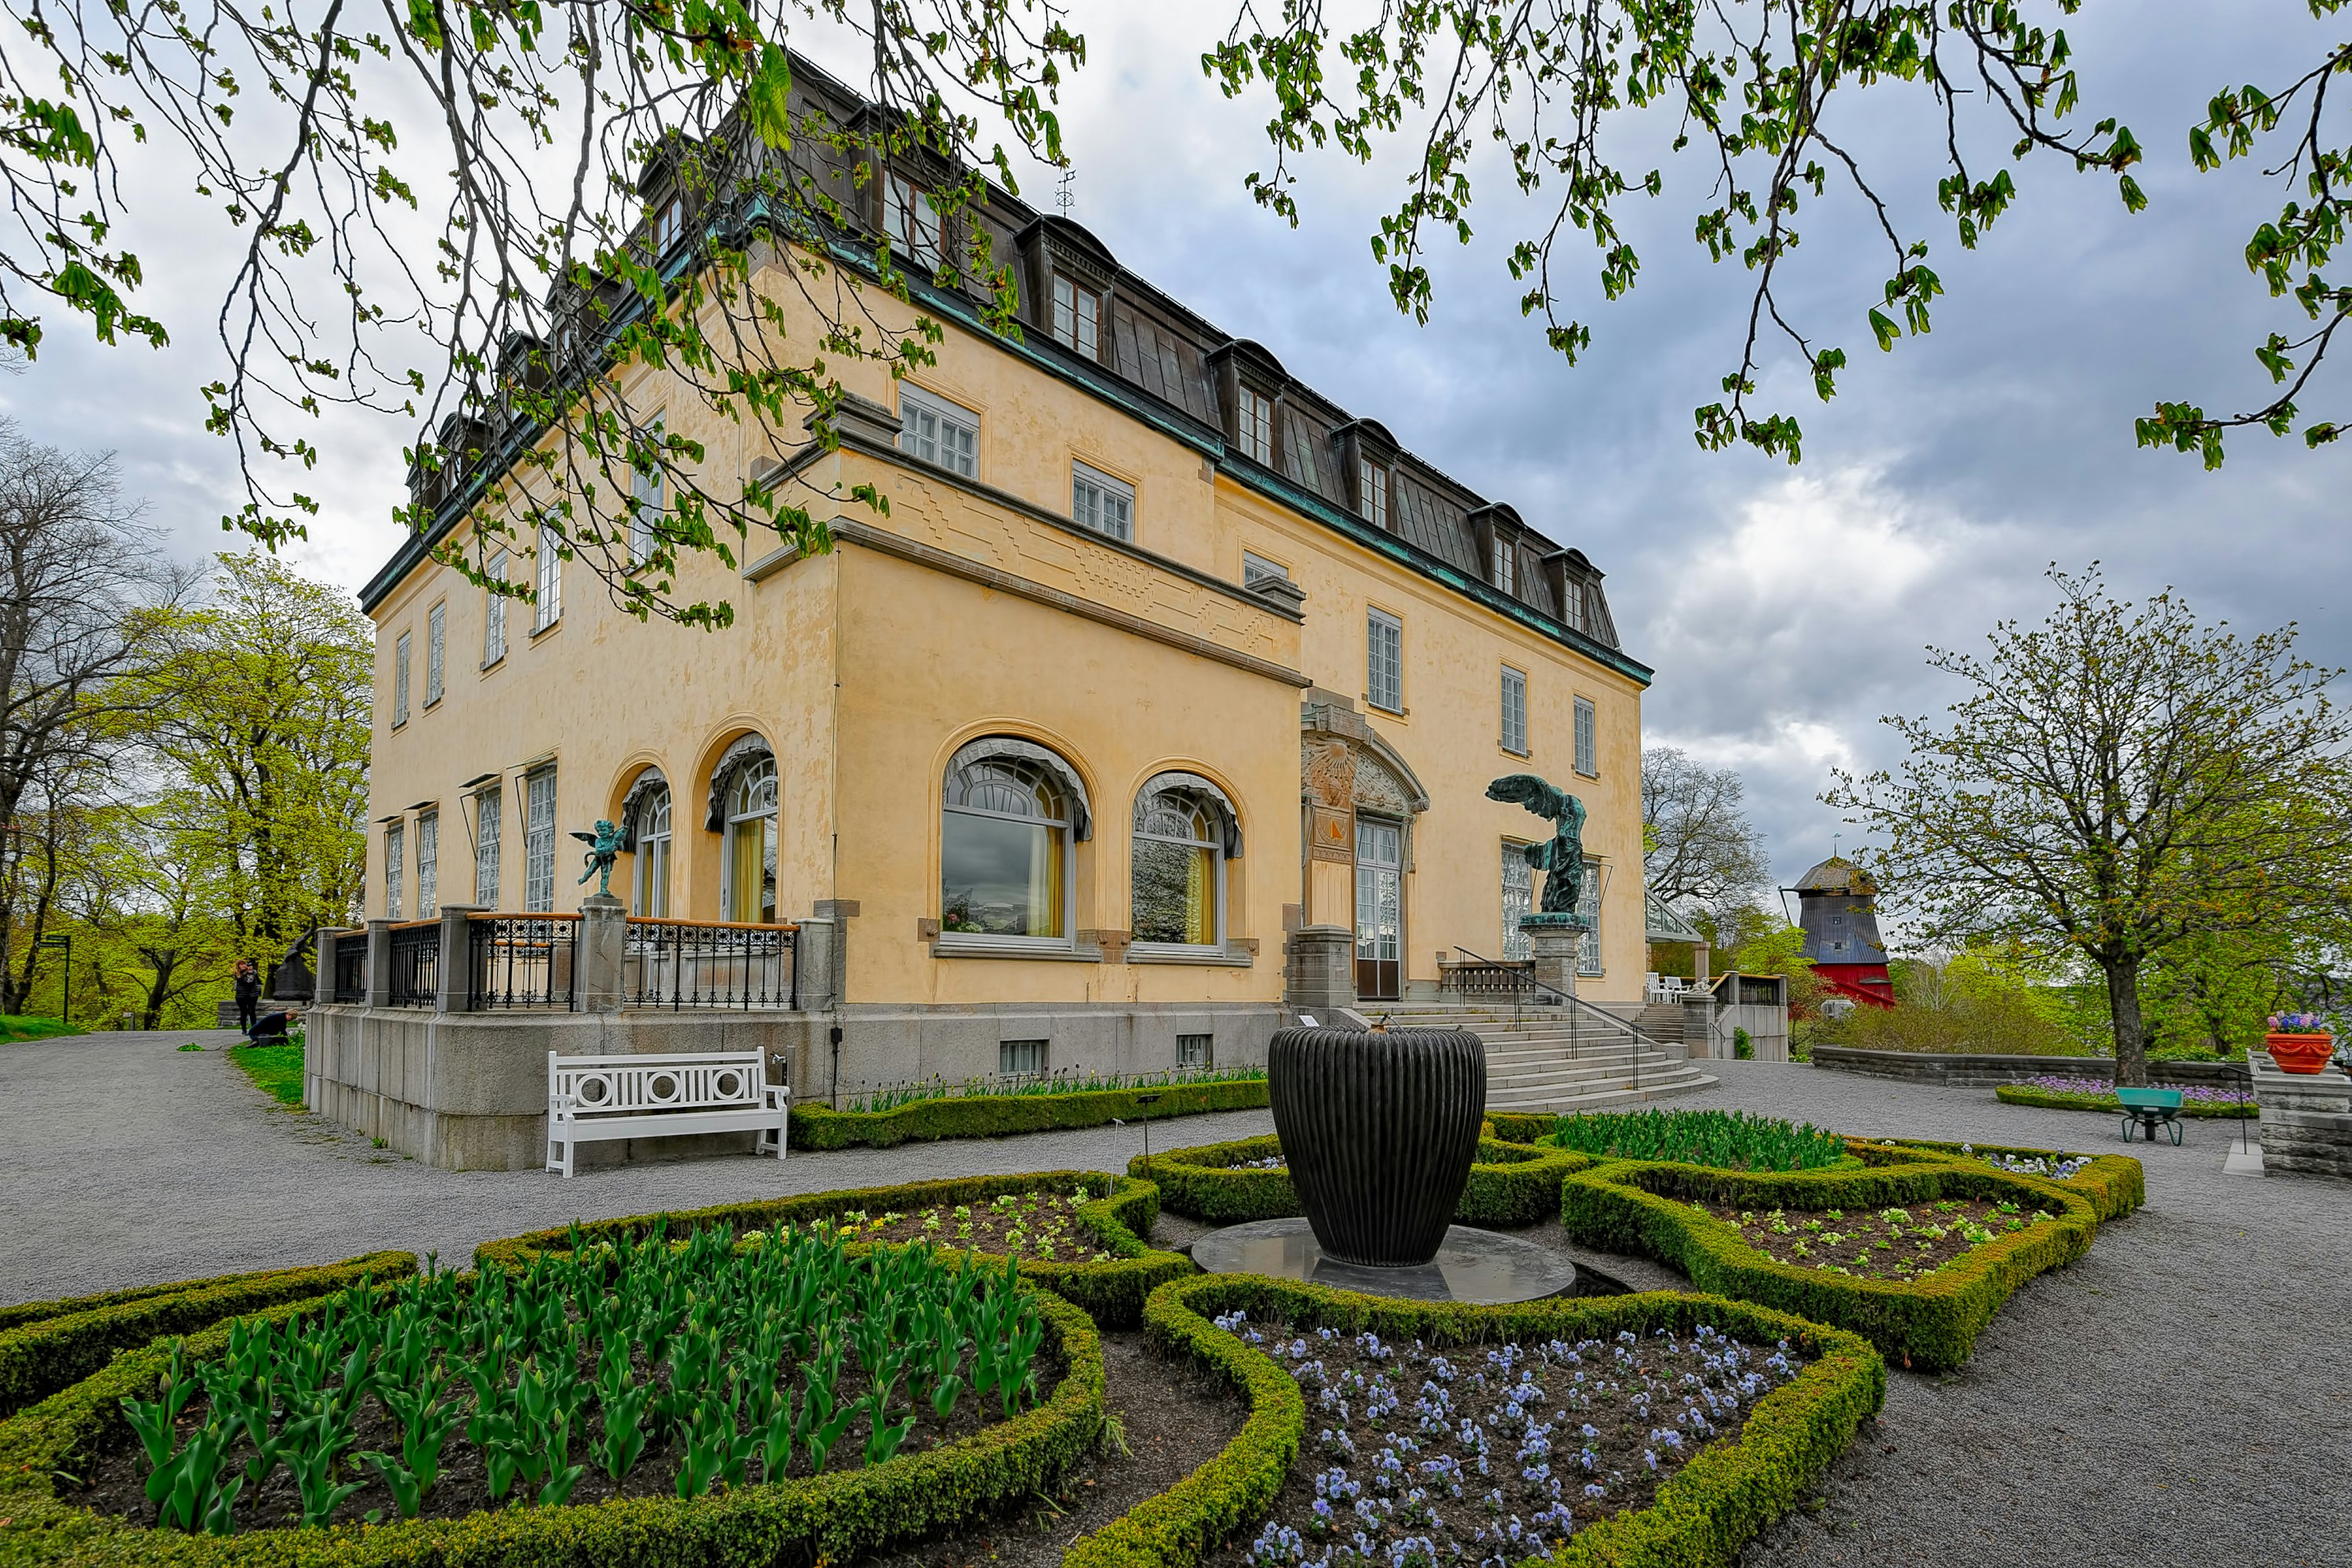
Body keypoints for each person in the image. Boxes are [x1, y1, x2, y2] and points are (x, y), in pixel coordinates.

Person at [233, 958, 263, 1036]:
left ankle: (254, 1029)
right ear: (238, 966)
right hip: (241, 995)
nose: (243, 966)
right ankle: (244, 1030)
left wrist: (251, 972)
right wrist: (248, 973)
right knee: (244, 1012)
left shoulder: (253, 972)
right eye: (241, 964)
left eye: (244, 964)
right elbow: (246, 981)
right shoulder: (237, 973)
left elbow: (254, 982)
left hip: (252, 994)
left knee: (252, 1011)